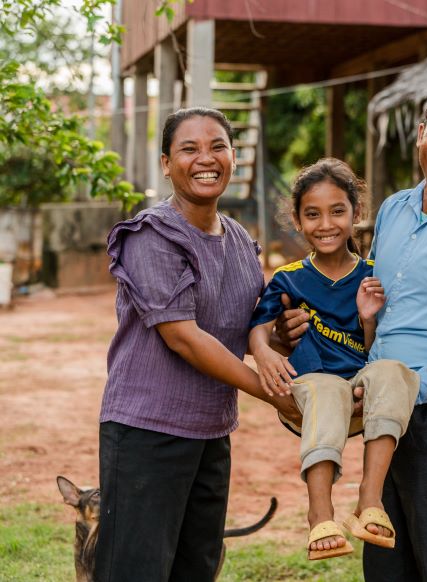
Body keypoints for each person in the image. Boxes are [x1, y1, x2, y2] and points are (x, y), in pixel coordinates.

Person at [278, 89, 427, 581]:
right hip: (385, 414)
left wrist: (407, 392)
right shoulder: (393, 210)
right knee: (388, 559)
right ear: (421, 135)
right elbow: (379, 312)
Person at [96, 107, 300, 581]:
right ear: (167, 163)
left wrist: (280, 339)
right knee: (136, 570)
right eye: (189, 149)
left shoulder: (240, 241)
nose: (205, 159)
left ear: (233, 157)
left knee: (197, 567)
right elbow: (183, 337)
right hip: (148, 432)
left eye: (218, 147)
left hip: (211, 432)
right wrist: (272, 392)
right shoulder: (151, 235)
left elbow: (246, 327)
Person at [247, 158, 419, 561]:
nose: (326, 223)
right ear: (297, 220)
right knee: (325, 389)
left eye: (337, 211)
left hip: (361, 399)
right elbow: (258, 327)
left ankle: (369, 500)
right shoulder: (289, 277)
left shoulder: (374, 276)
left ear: (356, 214)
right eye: (313, 214)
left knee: (395, 372)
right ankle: (319, 512)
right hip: (309, 396)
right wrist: (263, 353)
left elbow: (377, 350)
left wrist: (367, 317)